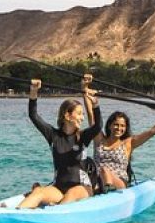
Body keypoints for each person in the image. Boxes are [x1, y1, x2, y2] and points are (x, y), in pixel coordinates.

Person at [17, 75, 102, 209]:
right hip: (59, 189)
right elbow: (33, 116)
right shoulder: (53, 135)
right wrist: (34, 91)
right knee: (38, 192)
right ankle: (17, 213)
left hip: (82, 189)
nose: (82, 118)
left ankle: (54, 210)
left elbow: (98, 126)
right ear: (67, 116)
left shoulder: (83, 136)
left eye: (83, 114)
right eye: (79, 114)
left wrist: (95, 104)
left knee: (72, 193)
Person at [87, 104, 155, 190]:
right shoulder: (100, 140)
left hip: (119, 181)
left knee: (105, 171)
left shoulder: (128, 143)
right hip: (96, 179)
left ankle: (107, 190)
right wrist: (87, 95)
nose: (119, 128)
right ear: (109, 125)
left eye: (122, 126)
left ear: (126, 128)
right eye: (116, 124)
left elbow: (152, 131)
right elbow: (92, 118)